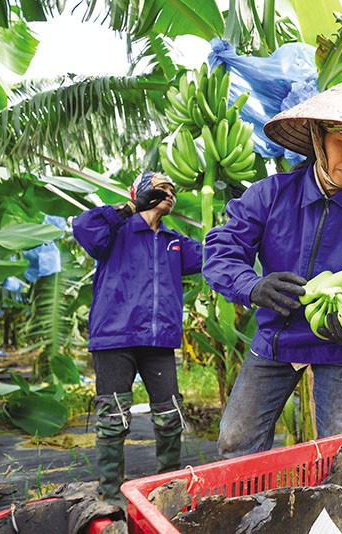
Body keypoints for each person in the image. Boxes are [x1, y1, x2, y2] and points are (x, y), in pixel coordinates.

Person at [202, 78, 342, 459]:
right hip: (276, 339)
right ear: (319, 137)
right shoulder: (269, 196)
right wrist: (252, 286)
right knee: (235, 441)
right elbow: (221, 251)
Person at [72, 171, 203, 507]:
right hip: (115, 337)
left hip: (159, 341)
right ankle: (112, 495)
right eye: (162, 188)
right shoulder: (115, 232)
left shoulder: (174, 241)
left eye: (173, 190)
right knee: (114, 418)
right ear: (141, 191)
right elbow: (83, 227)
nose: (170, 193)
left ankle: (168, 488)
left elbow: (213, 256)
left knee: (170, 415)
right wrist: (129, 208)